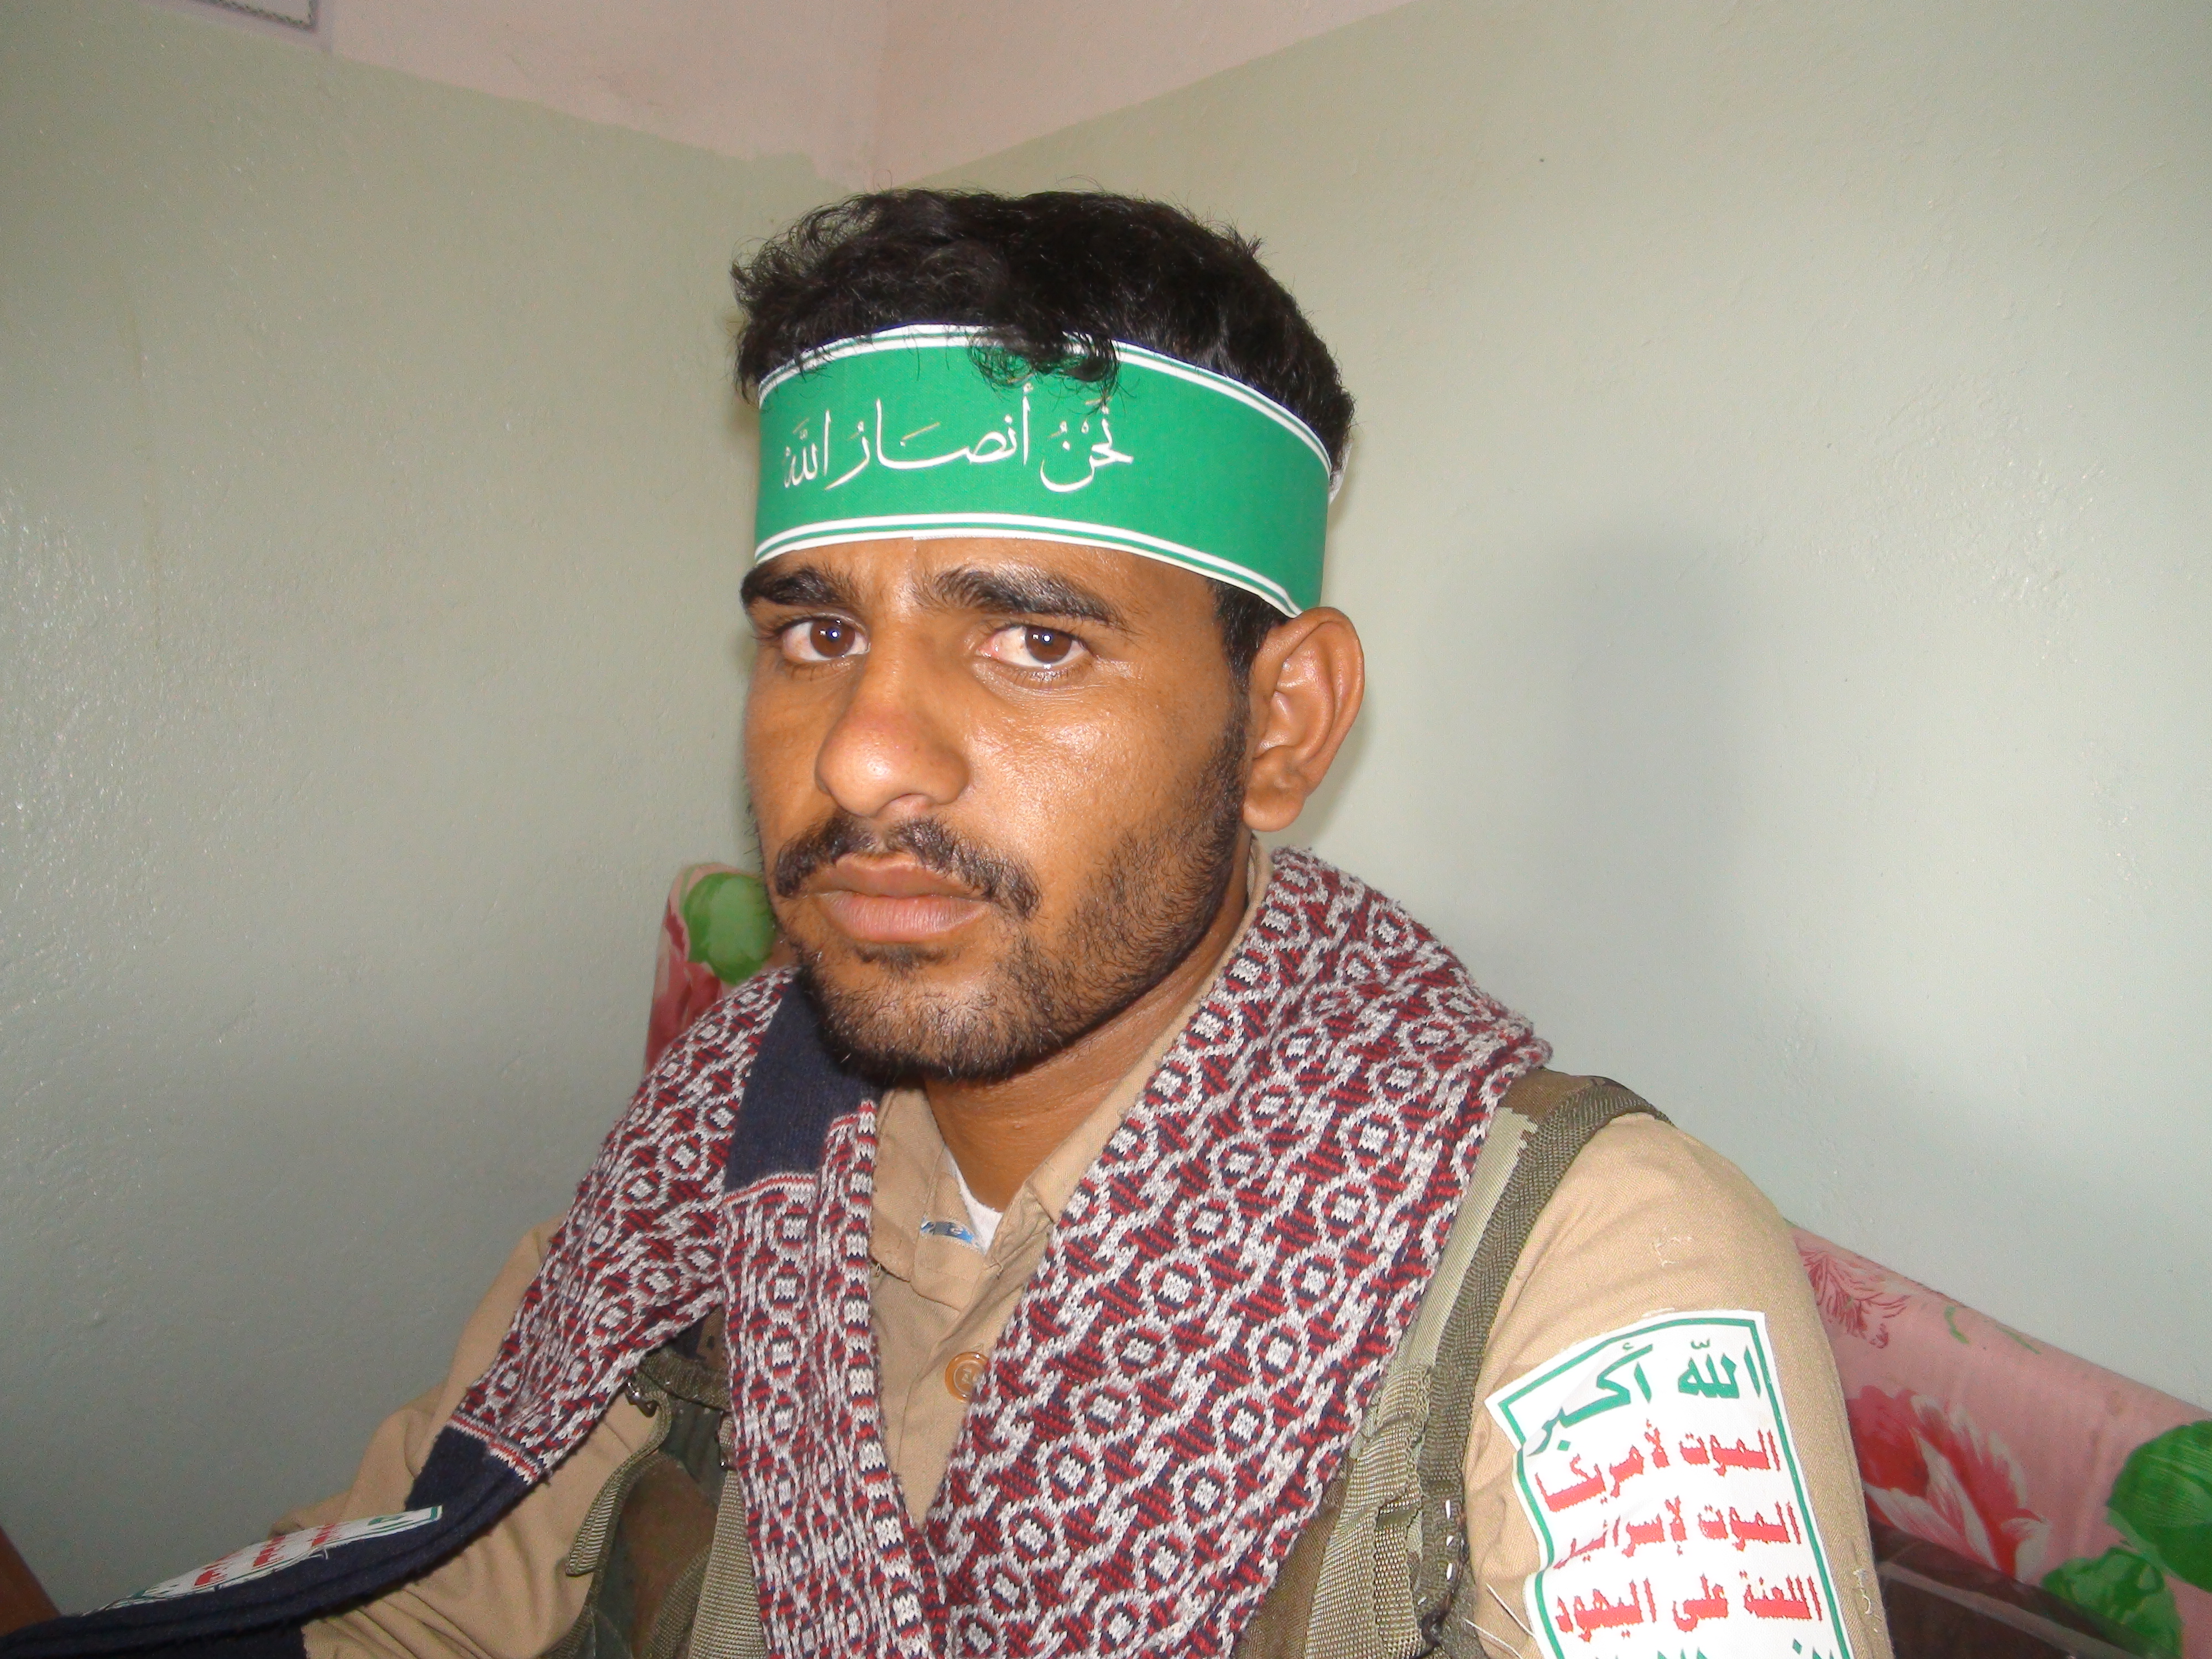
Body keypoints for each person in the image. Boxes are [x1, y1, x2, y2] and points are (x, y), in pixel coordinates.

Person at [7, 190, 1892, 1659]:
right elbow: (418, 1610)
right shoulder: (725, 1136)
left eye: (1034, 639)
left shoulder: (1595, 1275)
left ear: (1283, 727)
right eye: (817, 632)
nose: (858, 756)